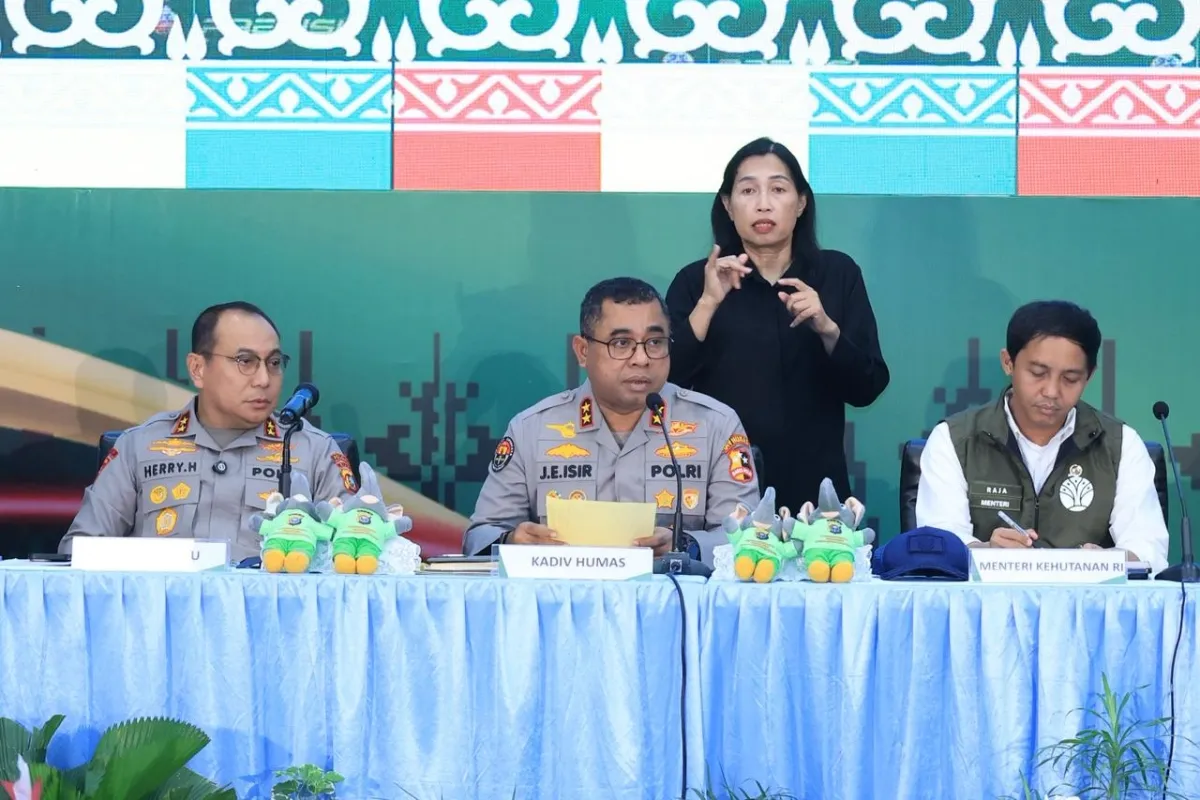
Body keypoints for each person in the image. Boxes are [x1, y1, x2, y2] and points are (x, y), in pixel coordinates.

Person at [465, 277, 761, 565]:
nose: (642, 358)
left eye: (655, 342)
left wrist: (686, 546)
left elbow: (748, 538)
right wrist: (512, 541)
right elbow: (479, 537)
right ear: (583, 351)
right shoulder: (531, 429)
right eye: (621, 343)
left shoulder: (716, 425)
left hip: (674, 596)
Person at [665, 137, 889, 513]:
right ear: (727, 205)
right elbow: (665, 384)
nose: (763, 203)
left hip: (816, 494)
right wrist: (707, 304)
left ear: (801, 203)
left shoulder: (838, 274)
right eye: (748, 190)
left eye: (778, 189)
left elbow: (868, 387)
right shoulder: (696, 282)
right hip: (722, 490)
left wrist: (827, 328)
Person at [62, 301, 359, 562]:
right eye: (245, 361)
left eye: (273, 363)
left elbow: (360, 548)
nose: (264, 379)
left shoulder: (313, 451)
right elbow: (79, 551)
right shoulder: (139, 447)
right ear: (198, 369)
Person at [916, 300, 1169, 575]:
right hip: (986, 601)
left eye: (1070, 378)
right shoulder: (955, 440)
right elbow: (939, 544)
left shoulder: (1120, 445)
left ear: (1089, 376)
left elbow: (1149, 551)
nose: (1051, 391)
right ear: (1008, 362)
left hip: (1089, 601)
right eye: (1038, 373)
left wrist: (1108, 561)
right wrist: (985, 552)